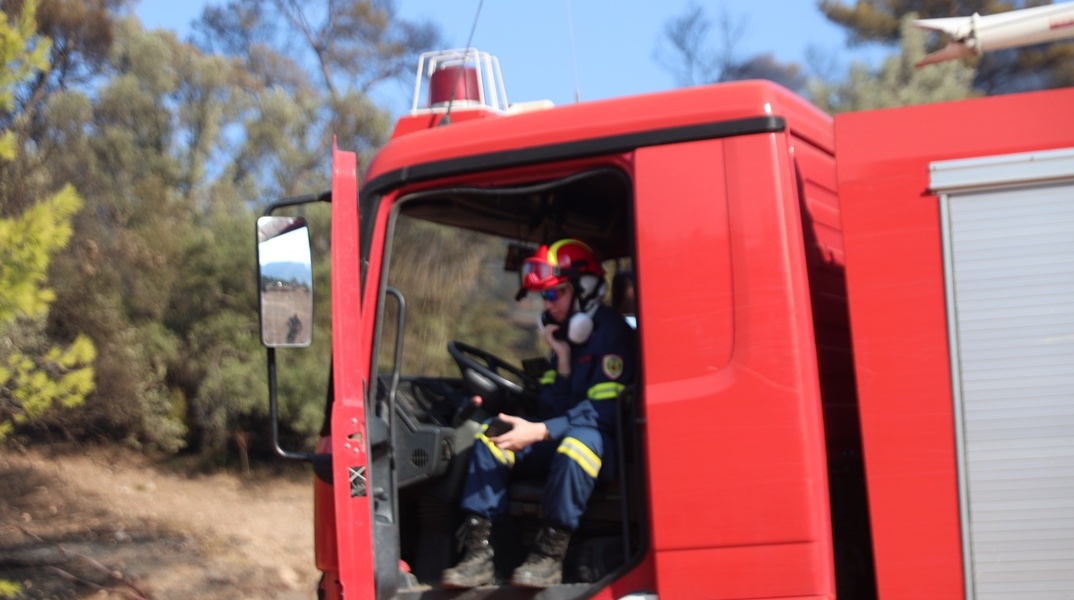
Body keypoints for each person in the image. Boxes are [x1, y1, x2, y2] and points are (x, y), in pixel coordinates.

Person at [441, 238, 637, 589]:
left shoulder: (613, 335)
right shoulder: (564, 337)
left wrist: (540, 431)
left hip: (603, 441)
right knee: (492, 435)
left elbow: (601, 414)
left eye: (554, 294)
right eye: (544, 297)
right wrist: (561, 360)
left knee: (577, 445)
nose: (548, 305)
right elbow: (550, 407)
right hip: (563, 431)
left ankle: (549, 555)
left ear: (586, 289)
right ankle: (479, 553)